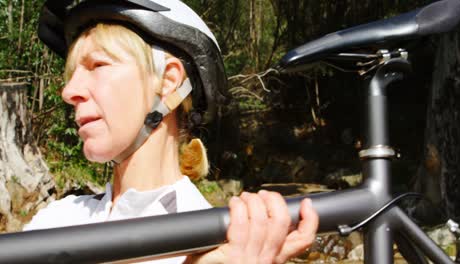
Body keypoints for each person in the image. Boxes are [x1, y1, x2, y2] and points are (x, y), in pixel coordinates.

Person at [24, 0, 319, 263]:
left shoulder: (225, 241)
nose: (69, 91)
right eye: (72, 74)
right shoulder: (57, 219)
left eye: (98, 64)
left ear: (168, 81)